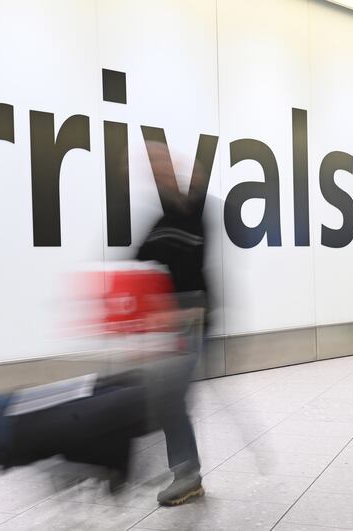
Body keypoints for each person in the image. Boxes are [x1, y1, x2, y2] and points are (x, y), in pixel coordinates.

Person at [136, 140, 209, 506]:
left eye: (163, 162)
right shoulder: (161, 223)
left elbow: (191, 262)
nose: (159, 169)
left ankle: (188, 473)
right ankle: (185, 470)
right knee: (165, 398)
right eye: (152, 164)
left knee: (170, 398)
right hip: (167, 322)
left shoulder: (193, 212)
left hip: (190, 319)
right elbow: (142, 262)